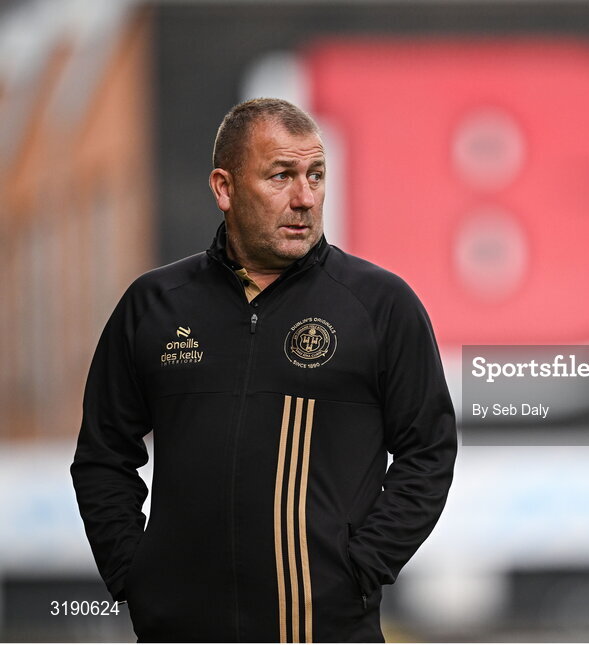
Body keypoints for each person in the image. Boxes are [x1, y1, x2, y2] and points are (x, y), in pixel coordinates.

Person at [71, 98, 458, 642]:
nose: (304, 198)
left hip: (323, 627)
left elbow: (429, 452)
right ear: (224, 189)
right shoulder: (155, 304)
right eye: (281, 176)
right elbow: (103, 455)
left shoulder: (380, 305)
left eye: (316, 175)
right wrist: (135, 572)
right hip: (178, 628)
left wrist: (361, 570)